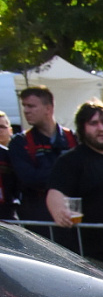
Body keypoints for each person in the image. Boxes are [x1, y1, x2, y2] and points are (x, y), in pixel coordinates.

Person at [46, 100, 103, 275]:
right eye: (93, 123)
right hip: (94, 257)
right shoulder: (71, 161)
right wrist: (60, 211)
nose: (101, 128)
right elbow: (55, 192)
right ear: (82, 128)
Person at [10, 86, 77, 222]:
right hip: (38, 218)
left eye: (31, 106)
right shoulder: (20, 142)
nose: (26, 111)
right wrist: (67, 174)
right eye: (24, 106)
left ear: (48, 108)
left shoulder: (74, 138)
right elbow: (30, 179)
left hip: (72, 216)